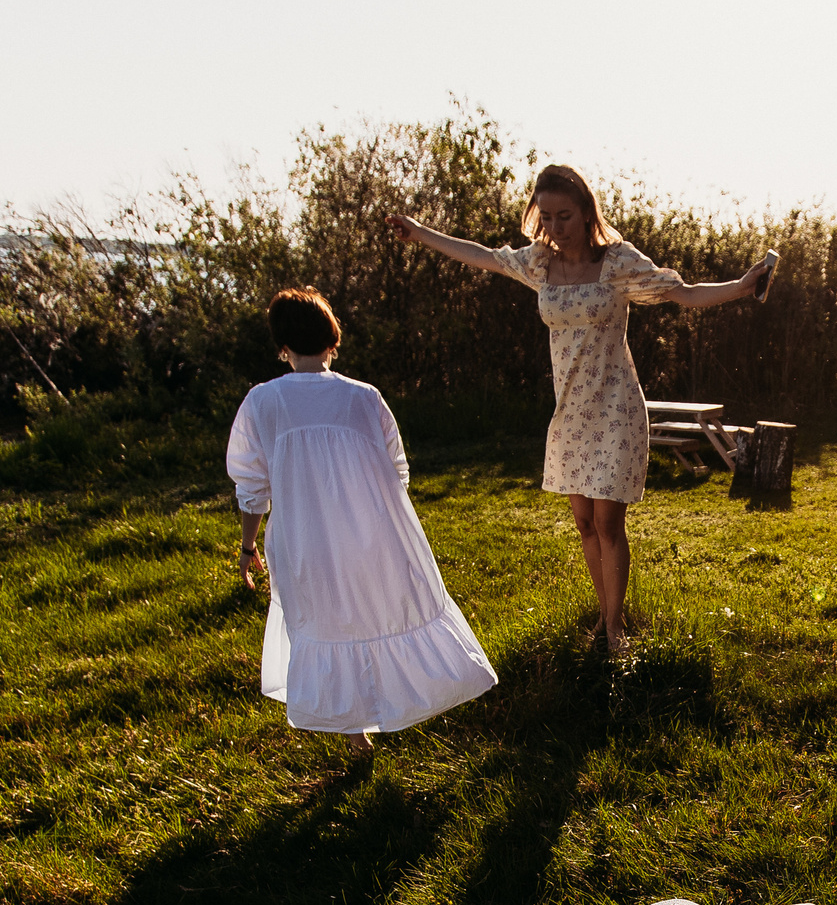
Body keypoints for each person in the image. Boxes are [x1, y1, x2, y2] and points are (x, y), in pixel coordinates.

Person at [390, 167, 773, 655]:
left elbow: (682, 293)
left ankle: (615, 627)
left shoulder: (617, 262)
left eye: (565, 216)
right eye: (546, 216)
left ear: (587, 212)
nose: (555, 226)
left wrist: (741, 286)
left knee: (609, 523)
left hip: (615, 406)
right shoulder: (540, 264)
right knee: (584, 523)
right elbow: (484, 256)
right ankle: (604, 612)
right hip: (570, 413)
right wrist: (419, 233)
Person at [228, 287, 498, 751]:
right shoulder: (364, 397)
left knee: (325, 621)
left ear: (282, 345)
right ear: (332, 339)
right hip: (369, 532)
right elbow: (399, 470)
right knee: (374, 615)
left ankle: (356, 734)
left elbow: (252, 489)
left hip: (302, 540)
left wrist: (248, 547)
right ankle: (388, 707)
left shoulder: (262, 402)